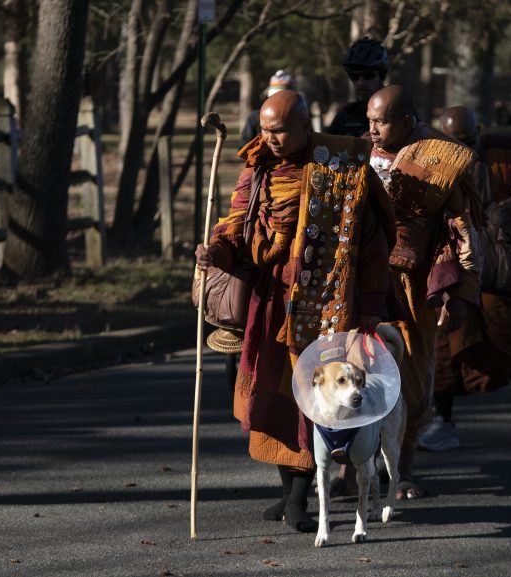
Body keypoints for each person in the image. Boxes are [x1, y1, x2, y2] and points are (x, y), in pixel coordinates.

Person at [193, 90, 396, 533]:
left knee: (313, 397)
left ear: (306, 126)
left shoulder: (342, 168)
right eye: (266, 130)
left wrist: (370, 307)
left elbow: (374, 246)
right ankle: (289, 493)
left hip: (328, 303)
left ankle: (301, 499)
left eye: (281, 130)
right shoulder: (258, 172)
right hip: (270, 301)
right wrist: (215, 252)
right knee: (271, 394)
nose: (272, 138)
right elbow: (236, 229)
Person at [366, 85, 481, 498]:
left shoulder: (439, 158)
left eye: (381, 122)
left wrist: (460, 293)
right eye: (369, 120)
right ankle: (353, 471)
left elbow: (462, 229)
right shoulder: (357, 154)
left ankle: (402, 471)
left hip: (413, 287)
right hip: (363, 283)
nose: (372, 129)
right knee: (359, 373)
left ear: (406, 121)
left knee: (413, 376)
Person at [417, 105, 511, 451]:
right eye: (454, 142)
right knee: (444, 343)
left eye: (467, 140)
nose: (462, 148)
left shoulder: (509, 155)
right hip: (451, 262)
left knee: (504, 336)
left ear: (479, 133)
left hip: (495, 263)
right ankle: (444, 422)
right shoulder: (431, 159)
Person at [326, 37, 387, 137]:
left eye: (368, 75)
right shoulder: (345, 116)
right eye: (354, 76)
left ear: (381, 76)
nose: (360, 82)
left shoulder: (398, 113)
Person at [238, 70, 295, 149]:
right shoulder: (255, 117)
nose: (271, 139)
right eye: (265, 130)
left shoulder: (299, 118)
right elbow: (244, 147)